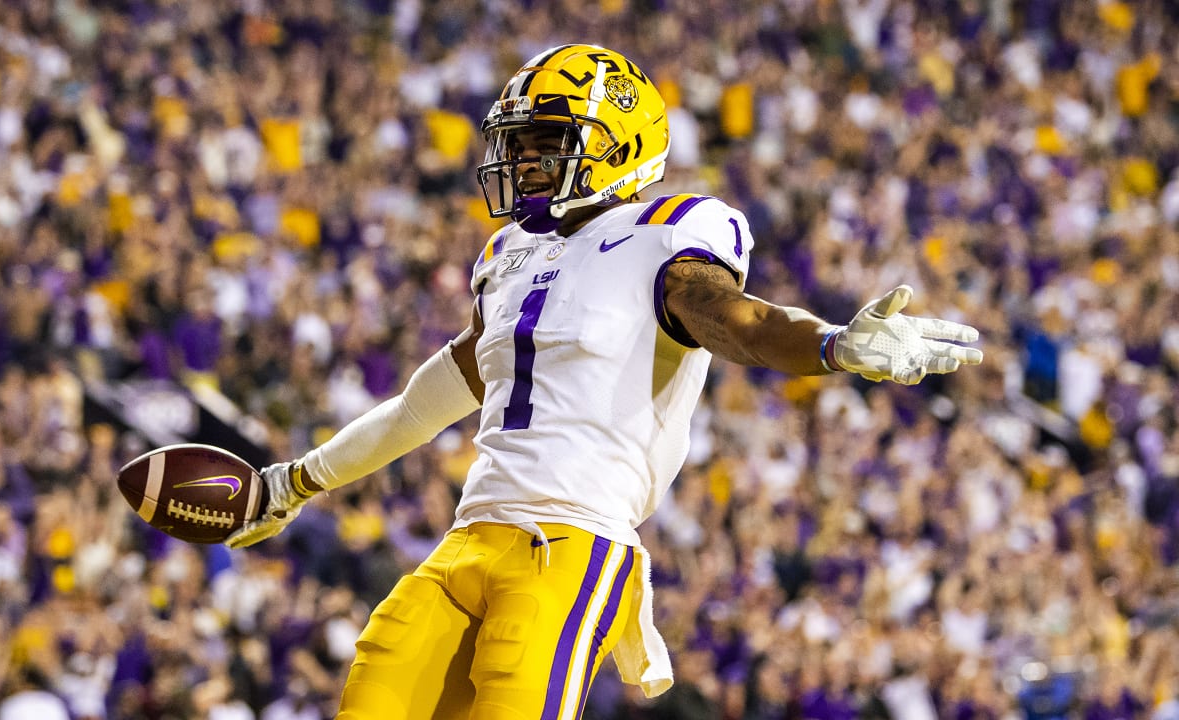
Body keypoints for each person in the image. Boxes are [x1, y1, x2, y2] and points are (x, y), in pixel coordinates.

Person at [226, 44, 983, 720]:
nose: (523, 162)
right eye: (517, 145)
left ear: (618, 144)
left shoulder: (669, 234)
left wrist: (831, 344)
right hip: (467, 539)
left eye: (545, 143)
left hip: (571, 544)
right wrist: (295, 482)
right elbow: (424, 403)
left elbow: (733, 319)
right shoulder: (510, 255)